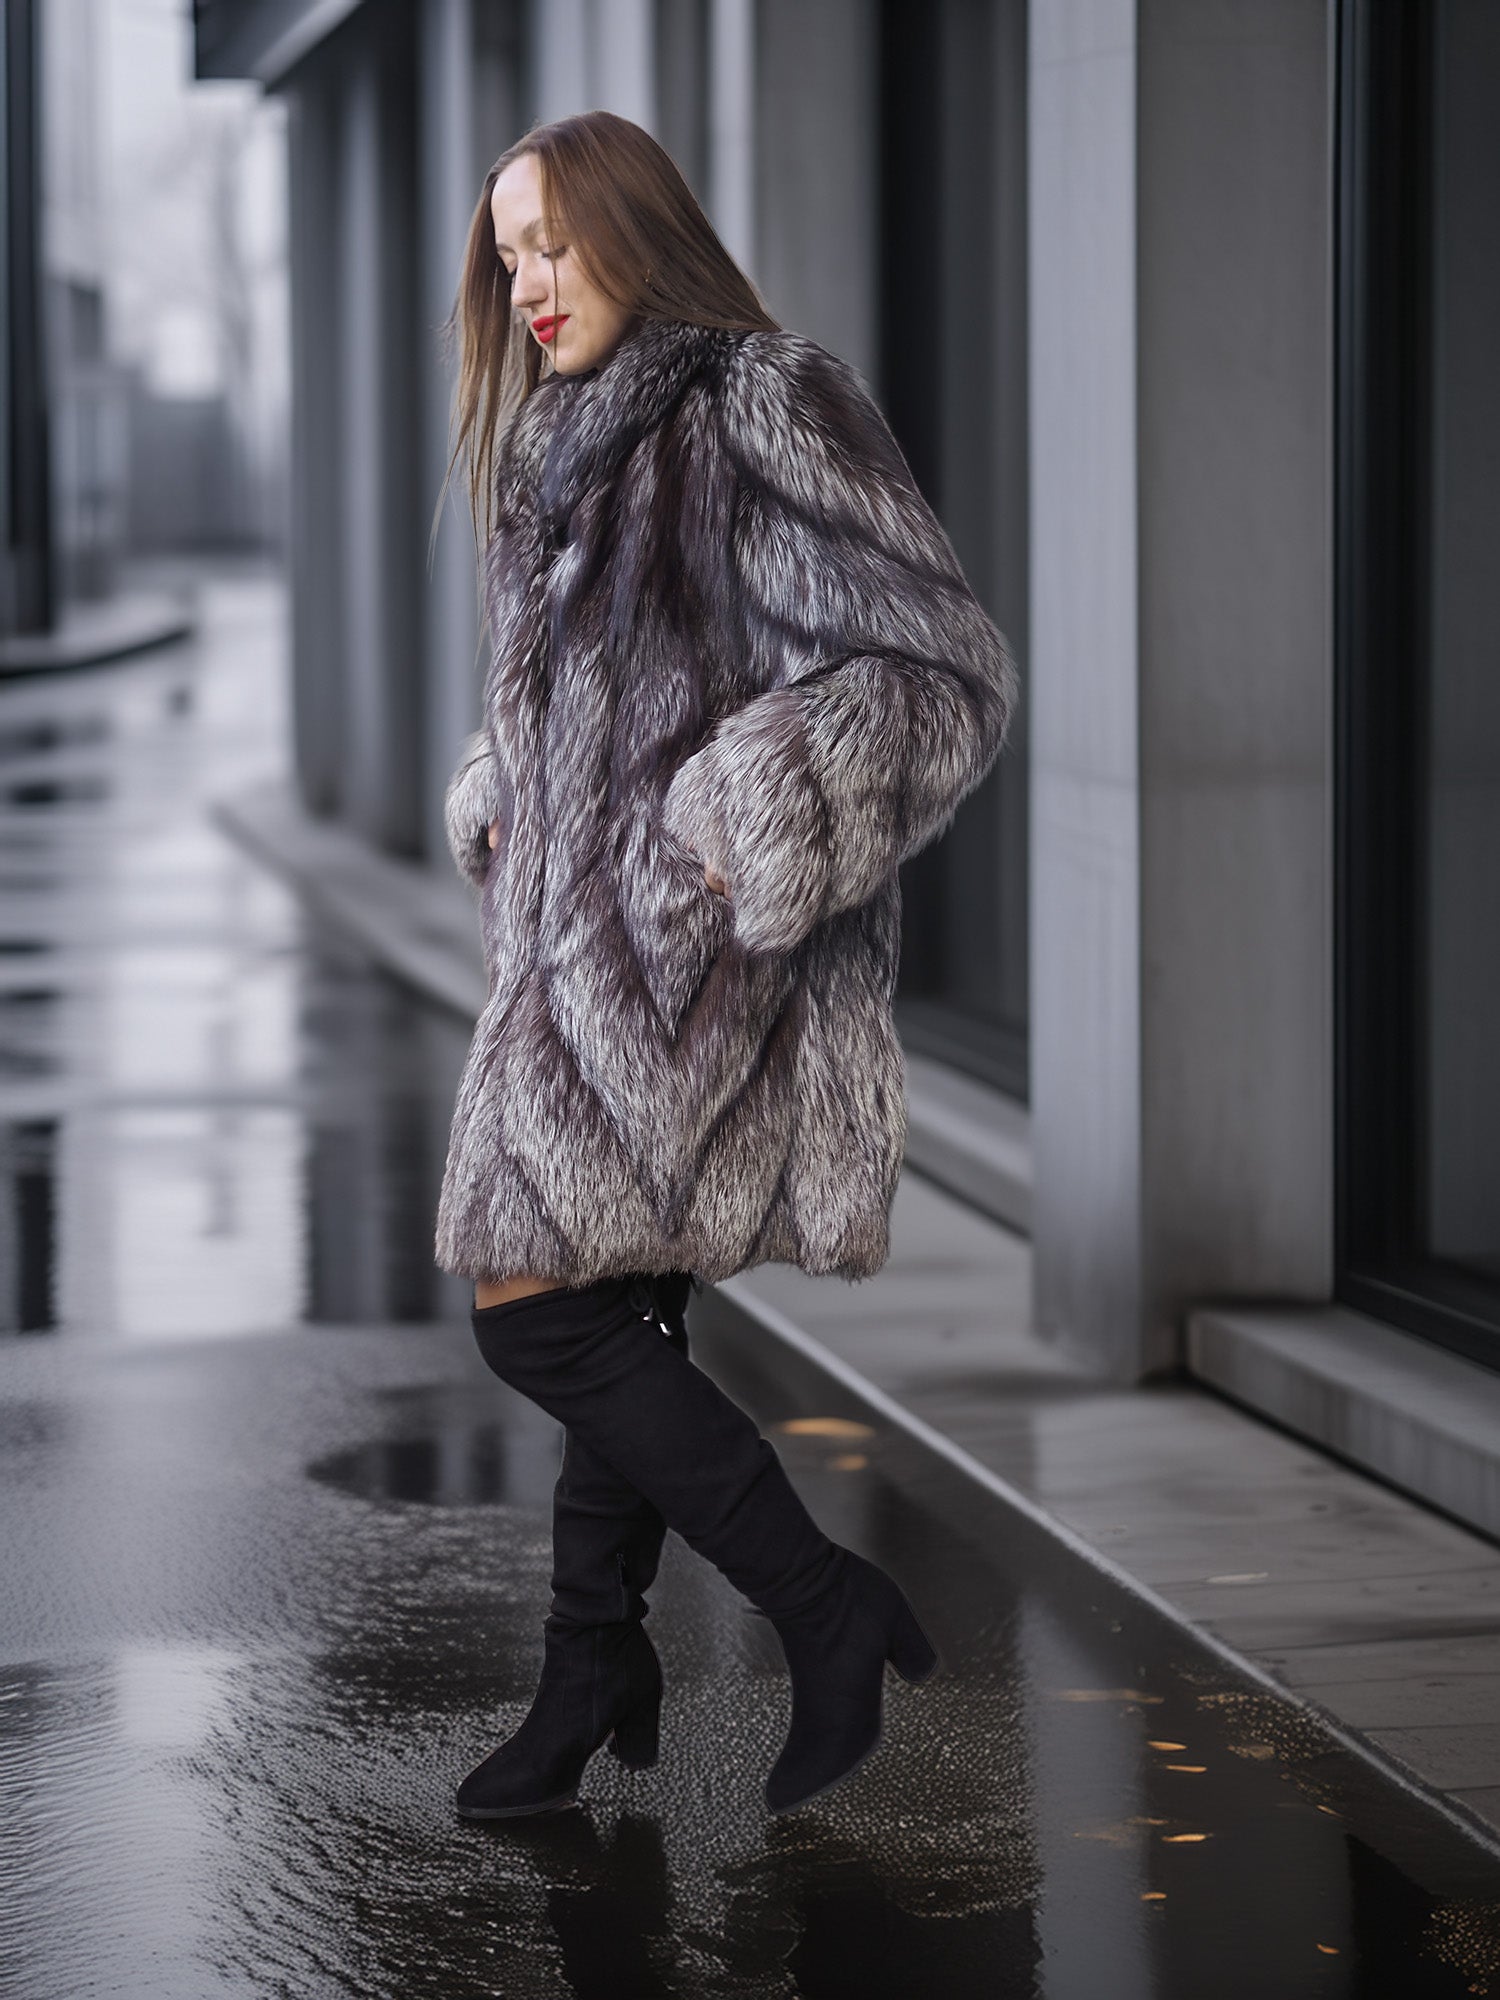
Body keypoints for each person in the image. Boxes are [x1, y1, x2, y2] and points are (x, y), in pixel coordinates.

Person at [434, 110, 1018, 1821]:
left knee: (532, 1312)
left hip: (698, 961)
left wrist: (734, 816)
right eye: (509, 253)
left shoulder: (769, 399)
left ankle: (829, 1613)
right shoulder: (557, 442)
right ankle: (591, 1662)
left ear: (636, 227)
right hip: (581, 947)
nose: (528, 283)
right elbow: (594, 700)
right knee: (607, 1303)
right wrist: (506, 794)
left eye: (553, 242)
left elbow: (943, 673)